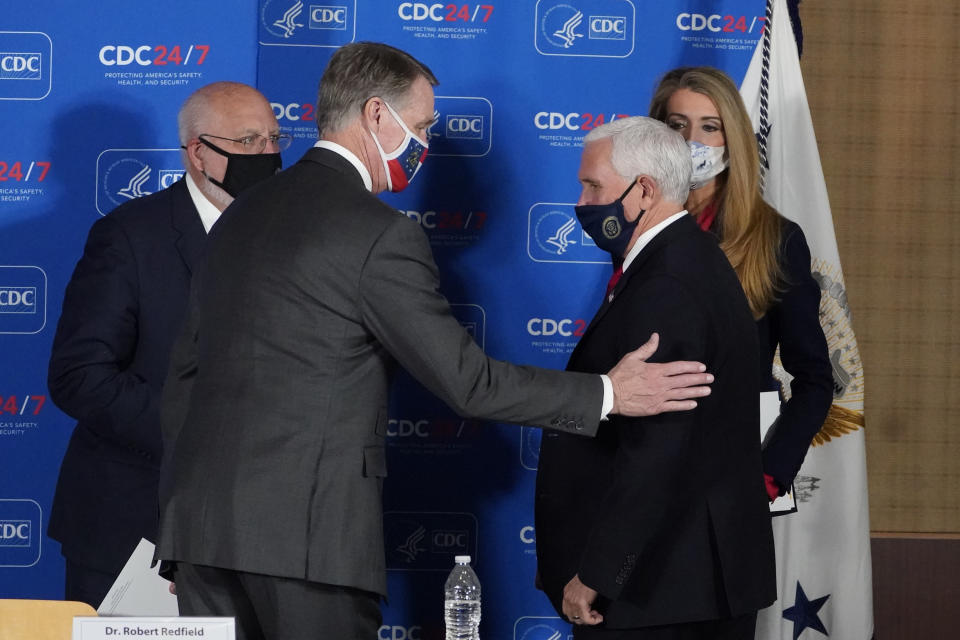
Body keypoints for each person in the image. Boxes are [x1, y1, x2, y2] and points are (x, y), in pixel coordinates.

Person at [155, 42, 715, 640]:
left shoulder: (237, 213)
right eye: (420, 125)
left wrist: (177, 527)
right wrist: (607, 394)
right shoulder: (376, 234)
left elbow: (183, 381)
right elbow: (467, 382)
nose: (423, 143)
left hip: (200, 539)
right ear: (375, 115)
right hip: (306, 545)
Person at [46, 81, 287, 608]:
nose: (267, 155)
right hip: (132, 525)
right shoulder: (130, 237)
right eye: (248, 142)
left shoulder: (290, 235)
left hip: (255, 533)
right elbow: (79, 375)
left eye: (273, 139)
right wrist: (196, 434)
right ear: (199, 152)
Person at [535, 116, 776, 639]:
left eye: (593, 185)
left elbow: (658, 449)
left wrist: (598, 573)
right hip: (677, 585)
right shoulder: (680, 261)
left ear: (644, 190)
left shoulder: (668, 283)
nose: (582, 200)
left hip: (661, 592)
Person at [648, 67, 833, 502]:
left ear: (733, 139)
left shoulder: (775, 239)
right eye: (678, 125)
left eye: (710, 127)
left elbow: (815, 380)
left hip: (729, 476)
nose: (692, 140)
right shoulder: (637, 229)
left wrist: (768, 477)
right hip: (641, 464)